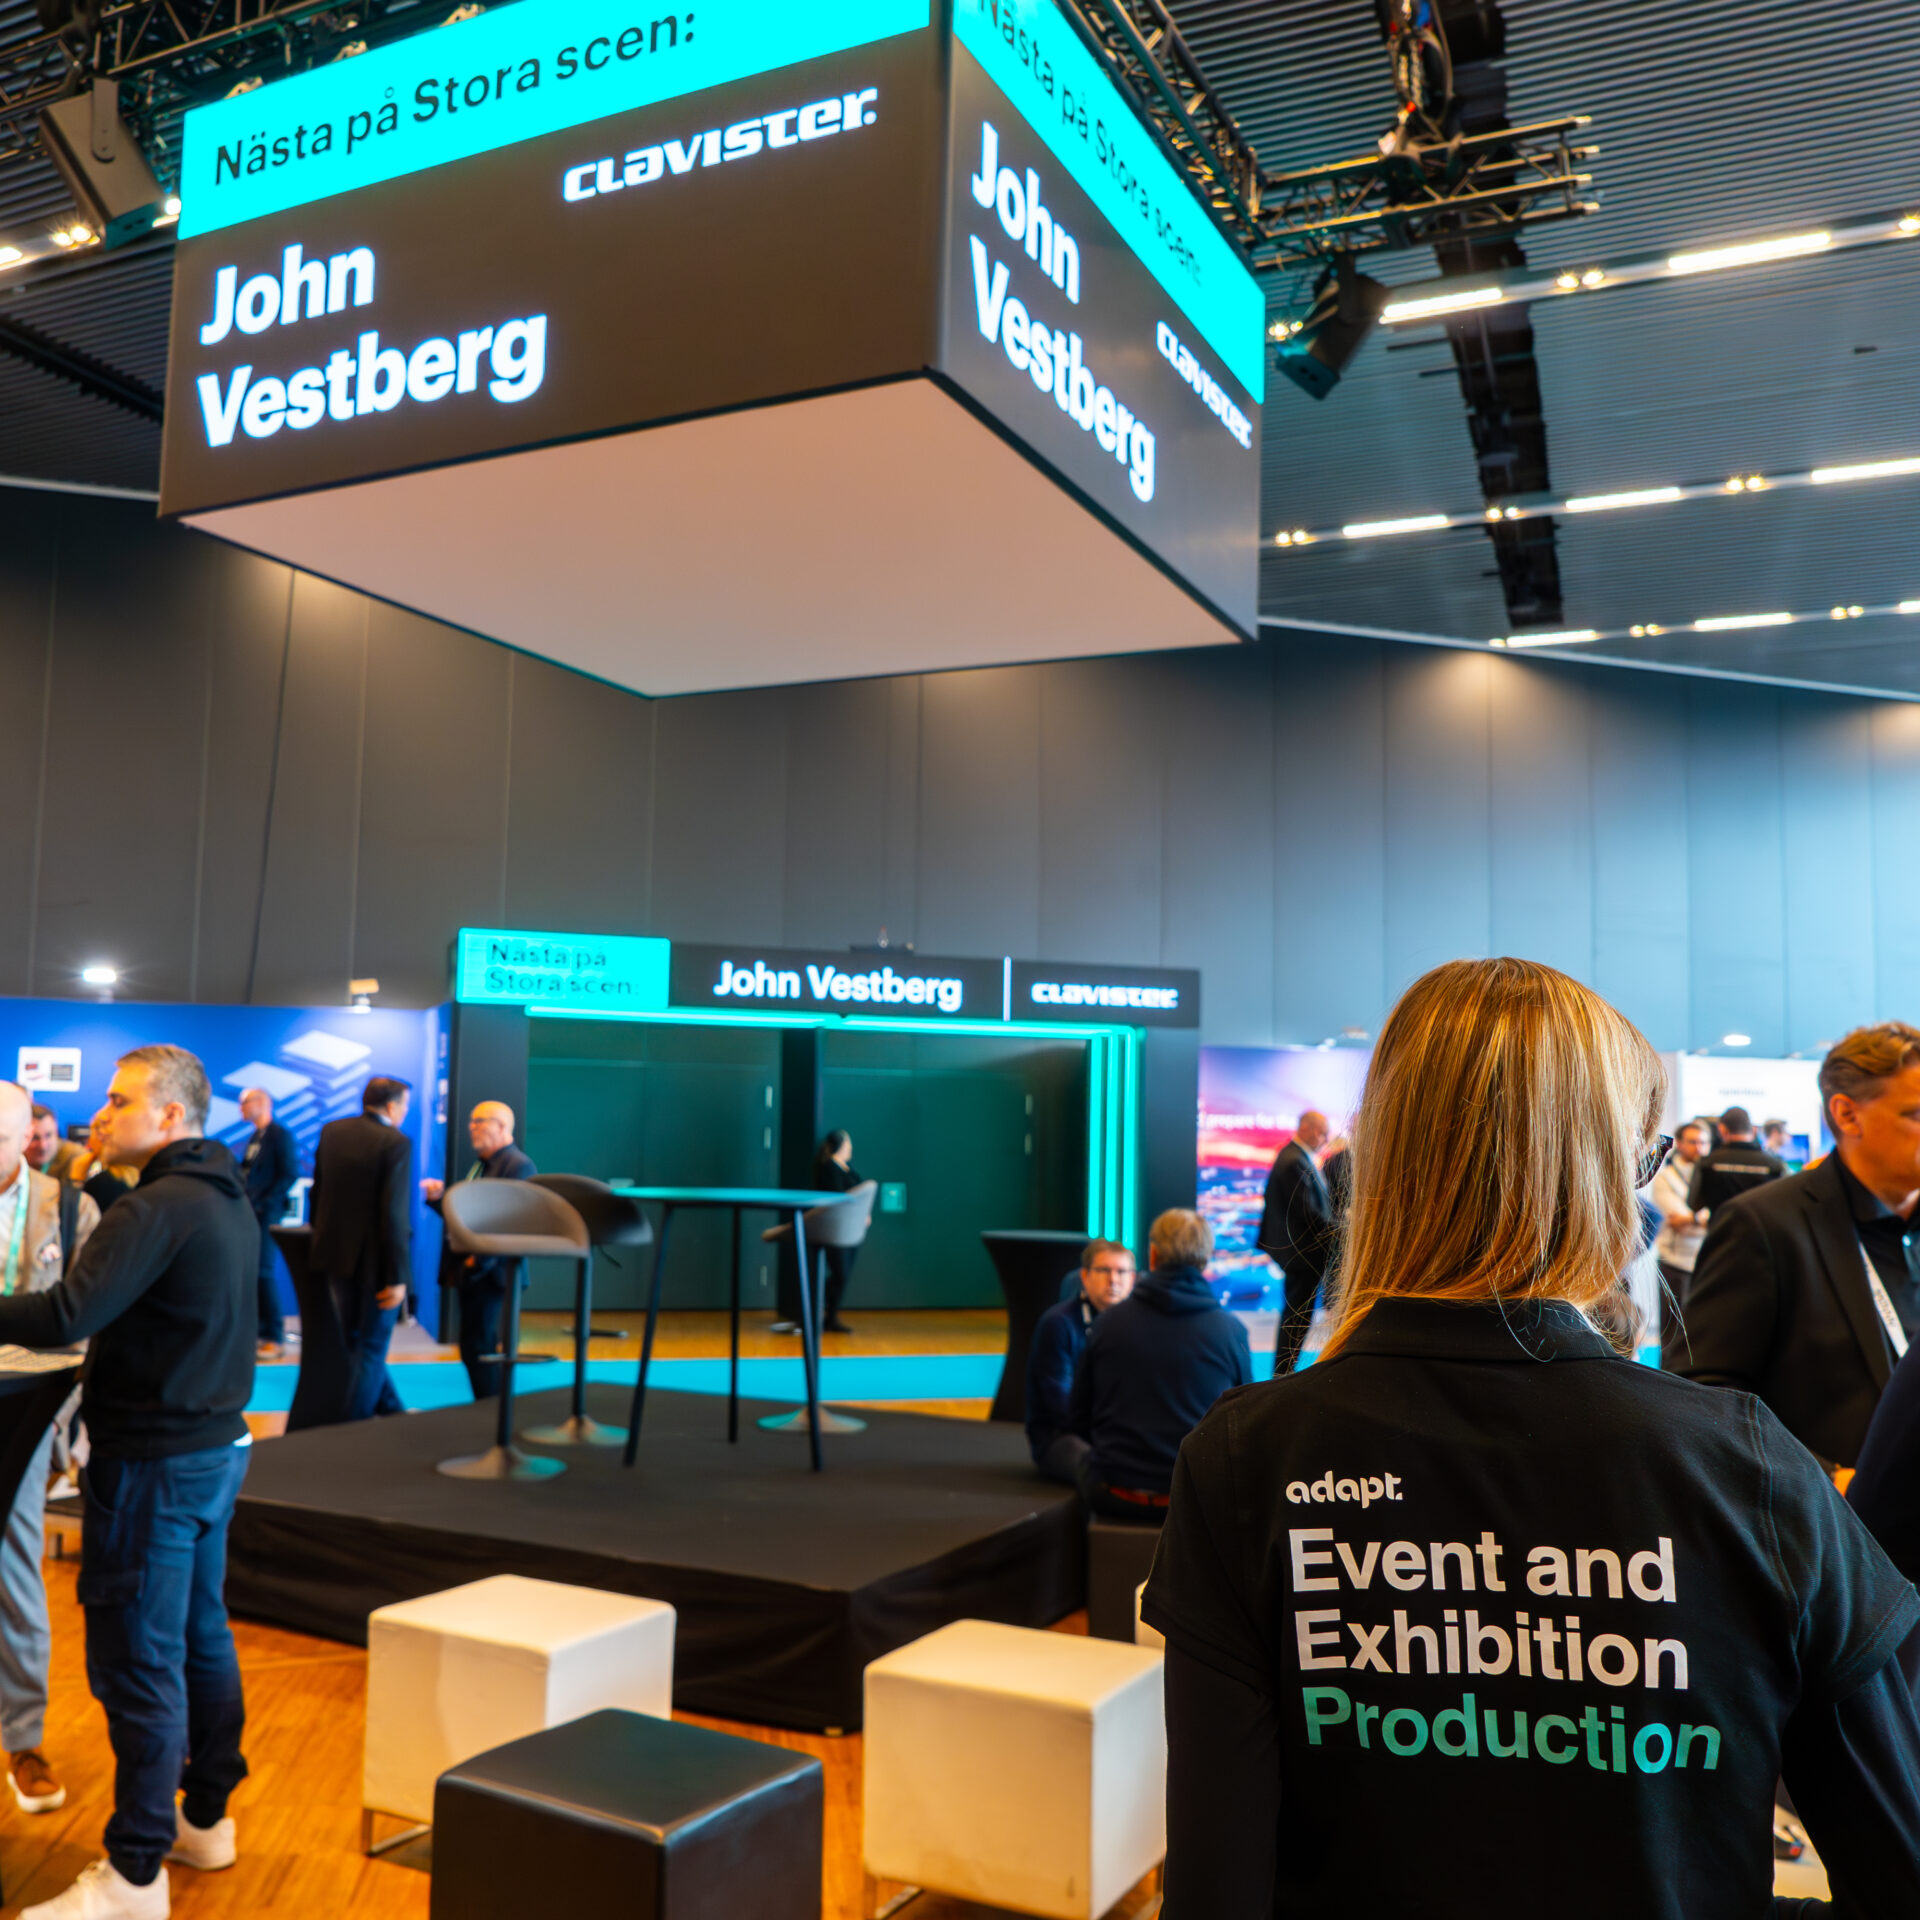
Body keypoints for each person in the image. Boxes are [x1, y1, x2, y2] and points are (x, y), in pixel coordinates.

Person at [1141, 959, 1920, 1919]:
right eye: (1645, 1160)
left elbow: (1215, 1892)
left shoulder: (1243, 1459)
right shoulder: (1748, 1470)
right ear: (1603, 1175)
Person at [0, 1046, 256, 1920]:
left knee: (138, 1663)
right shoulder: (220, 1195)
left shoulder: (154, 1207)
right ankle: (203, 1819)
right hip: (214, 1451)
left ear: (171, 1116)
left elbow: (66, 1312)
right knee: (198, 1639)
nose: (99, 1115)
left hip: (151, 1464)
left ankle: (134, 1873)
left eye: (118, 1100)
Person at [1672, 1024, 1920, 1469]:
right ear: (1847, 1115)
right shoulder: (1764, 1224)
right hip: (1836, 1508)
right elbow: (1702, 1396)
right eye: (1916, 1115)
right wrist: (1823, 1481)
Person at [0, 1082, 97, 1822]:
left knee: (16, 1571)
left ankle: (23, 1739)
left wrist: (65, 1427)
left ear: (27, 1137)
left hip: (26, 1414)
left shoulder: (70, 1208)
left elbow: (88, 1324)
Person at [1067, 1209, 1251, 1520]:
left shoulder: (1108, 1324)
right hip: (1195, 1500)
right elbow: (1244, 1422)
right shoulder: (1230, 1332)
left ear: (1152, 1256)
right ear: (1205, 1260)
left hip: (1115, 1492)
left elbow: (1078, 1418)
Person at [309, 1075, 413, 1423]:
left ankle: (393, 1410)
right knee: (371, 1347)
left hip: (334, 1257)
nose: (404, 1112)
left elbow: (317, 1194)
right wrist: (398, 1277)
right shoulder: (395, 1142)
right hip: (376, 1265)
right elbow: (394, 1214)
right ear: (391, 1106)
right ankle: (352, 1429)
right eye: (405, 1105)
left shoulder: (332, 1132)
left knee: (356, 1343)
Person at [421, 1102, 534, 1401]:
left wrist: (477, 1261)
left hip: (492, 1274)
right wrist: (439, 1200)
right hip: (475, 1272)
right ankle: (487, 1408)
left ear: (501, 1126)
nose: (472, 1127)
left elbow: (509, 1221)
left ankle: (492, 1410)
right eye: (472, 1121)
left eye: (480, 1121)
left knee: (481, 1347)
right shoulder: (483, 1165)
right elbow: (470, 1217)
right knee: (473, 1347)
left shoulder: (517, 1165)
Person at [1025, 1239, 1136, 1485]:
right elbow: (1060, 1406)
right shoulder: (1057, 1324)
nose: (1113, 1280)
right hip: (1062, 1437)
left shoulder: (1137, 1325)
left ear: (1133, 1279)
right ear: (1085, 1276)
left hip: (1116, 1434)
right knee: (1107, 1470)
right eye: (1104, 1270)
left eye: (1121, 1272)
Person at [1258, 1109, 1334, 1376]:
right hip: (1302, 1254)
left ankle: (1284, 1373)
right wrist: (1341, 1230)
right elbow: (1309, 1213)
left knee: (1298, 1316)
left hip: (1302, 1254)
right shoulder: (1294, 1161)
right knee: (1296, 1317)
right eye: (1323, 1133)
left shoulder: (1295, 1157)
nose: (1326, 1139)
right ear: (1309, 1129)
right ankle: (1283, 1374)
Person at [771, 1130, 866, 1337]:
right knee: (840, 1273)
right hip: (833, 1230)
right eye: (848, 1143)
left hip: (850, 1229)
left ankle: (830, 1318)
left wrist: (863, 1214)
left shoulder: (848, 1169)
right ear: (839, 1145)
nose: (851, 1147)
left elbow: (859, 1192)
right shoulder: (828, 1168)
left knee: (842, 1276)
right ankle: (812, 1313)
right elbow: (839, 1197)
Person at [236, 1089, 299, 1360]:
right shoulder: (255, 1137)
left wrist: (265, 1202)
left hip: (266, 1214)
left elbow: (289, 1173)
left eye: (244, 1103)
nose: (241, 1109)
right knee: (253, 1273)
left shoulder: (279, 1135)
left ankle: (274, 1335)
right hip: (250, 1212)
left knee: (264, 1271)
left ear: (261, 1103)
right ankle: (260, 1333)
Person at [1648, 1119, 1708, 1333]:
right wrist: (1703, 1219)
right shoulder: (1665, 1177)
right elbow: (1676, 1220)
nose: (1699, 1148)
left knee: (1700, 1332)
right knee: (1673, 1334)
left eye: (1703, 1142)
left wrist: (1692, 1219)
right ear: (1680, 1144)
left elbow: (1716, 1214)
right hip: (1675, 1263)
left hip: (1704, 1262)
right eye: (1693, 1142)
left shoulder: (1710, 1176)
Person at [1686, 1105, 1787, 1215]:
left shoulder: (1707, 1163)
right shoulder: (1774, 1164)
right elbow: (1784, 1204)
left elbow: (1693, 1204)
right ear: (1753, 1130)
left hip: (1722, 1225)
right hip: (1761, 1225)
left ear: (1722, 1129)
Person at [25, 1106, 81, 1183]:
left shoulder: (76, 1158)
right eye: (35, 1138)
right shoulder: (14, 1157)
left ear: (56, 1131)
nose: (43, 1146)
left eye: (48, 1135)